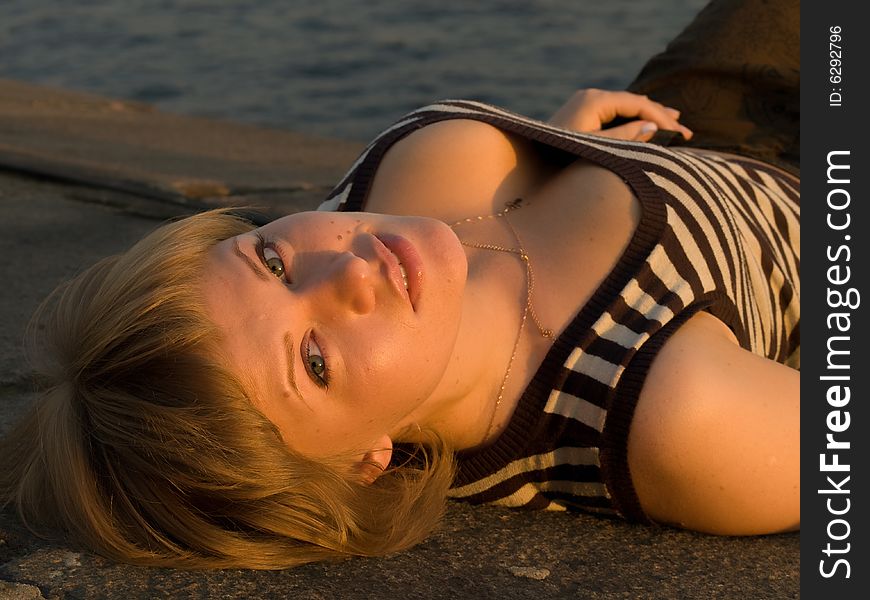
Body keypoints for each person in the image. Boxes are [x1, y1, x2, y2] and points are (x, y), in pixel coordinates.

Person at [0, 0, 799, 570]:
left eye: (271, 261)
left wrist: (559, 142)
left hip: (699, 112)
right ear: (360, 463)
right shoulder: (664, 412)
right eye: (314, 359)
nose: (347, 269)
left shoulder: (375, 192)